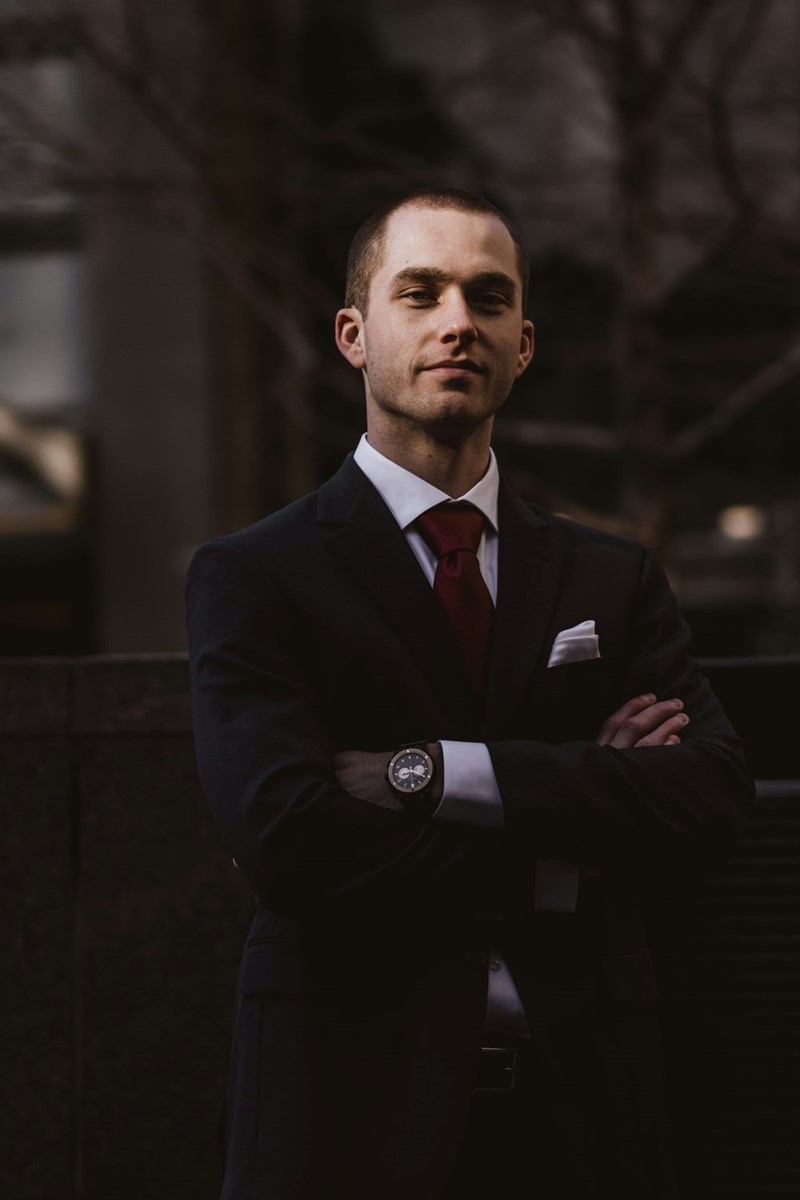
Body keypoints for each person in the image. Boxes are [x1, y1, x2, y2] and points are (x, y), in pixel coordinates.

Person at [186, 186, 753, 1199]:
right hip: (348, 1115)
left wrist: (427, 774)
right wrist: (575, 826)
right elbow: (287, 841)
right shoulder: (256, 575)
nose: (458, 321)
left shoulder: (606, 578)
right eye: (421, 292)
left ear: (523, 344)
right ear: (354, 335)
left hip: (584, 1115)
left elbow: (707, 797)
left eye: (488, 299)